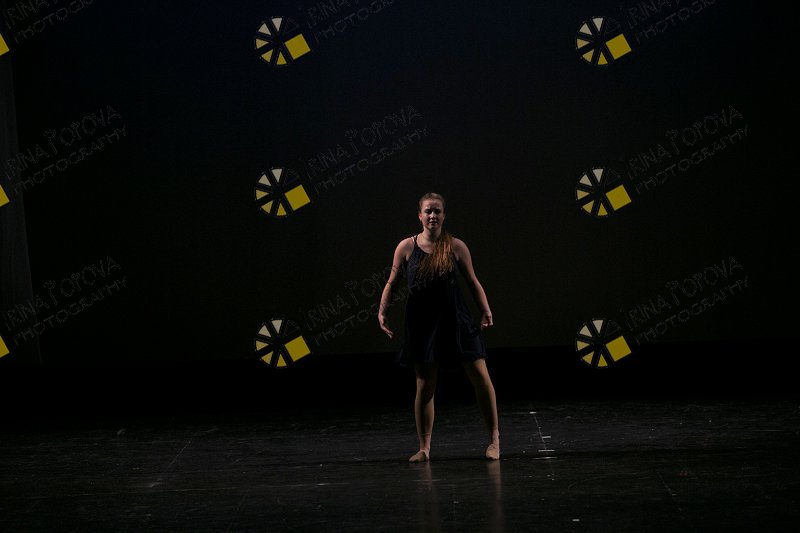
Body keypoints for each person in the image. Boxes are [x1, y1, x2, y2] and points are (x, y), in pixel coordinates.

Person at [378, 192, 500, 462]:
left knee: (481, 378)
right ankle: (424, 448)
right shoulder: (406, 247)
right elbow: (392, 283)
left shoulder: (456, 246)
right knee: (425, 385)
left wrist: (486, 309)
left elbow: (473, 281)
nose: (433, 215)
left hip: (456, 320)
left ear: (444, 216)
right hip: (422, 325)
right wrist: (382, 311)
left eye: (437, 211)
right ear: (419, 215)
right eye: (428, 211)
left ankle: (494, 440)